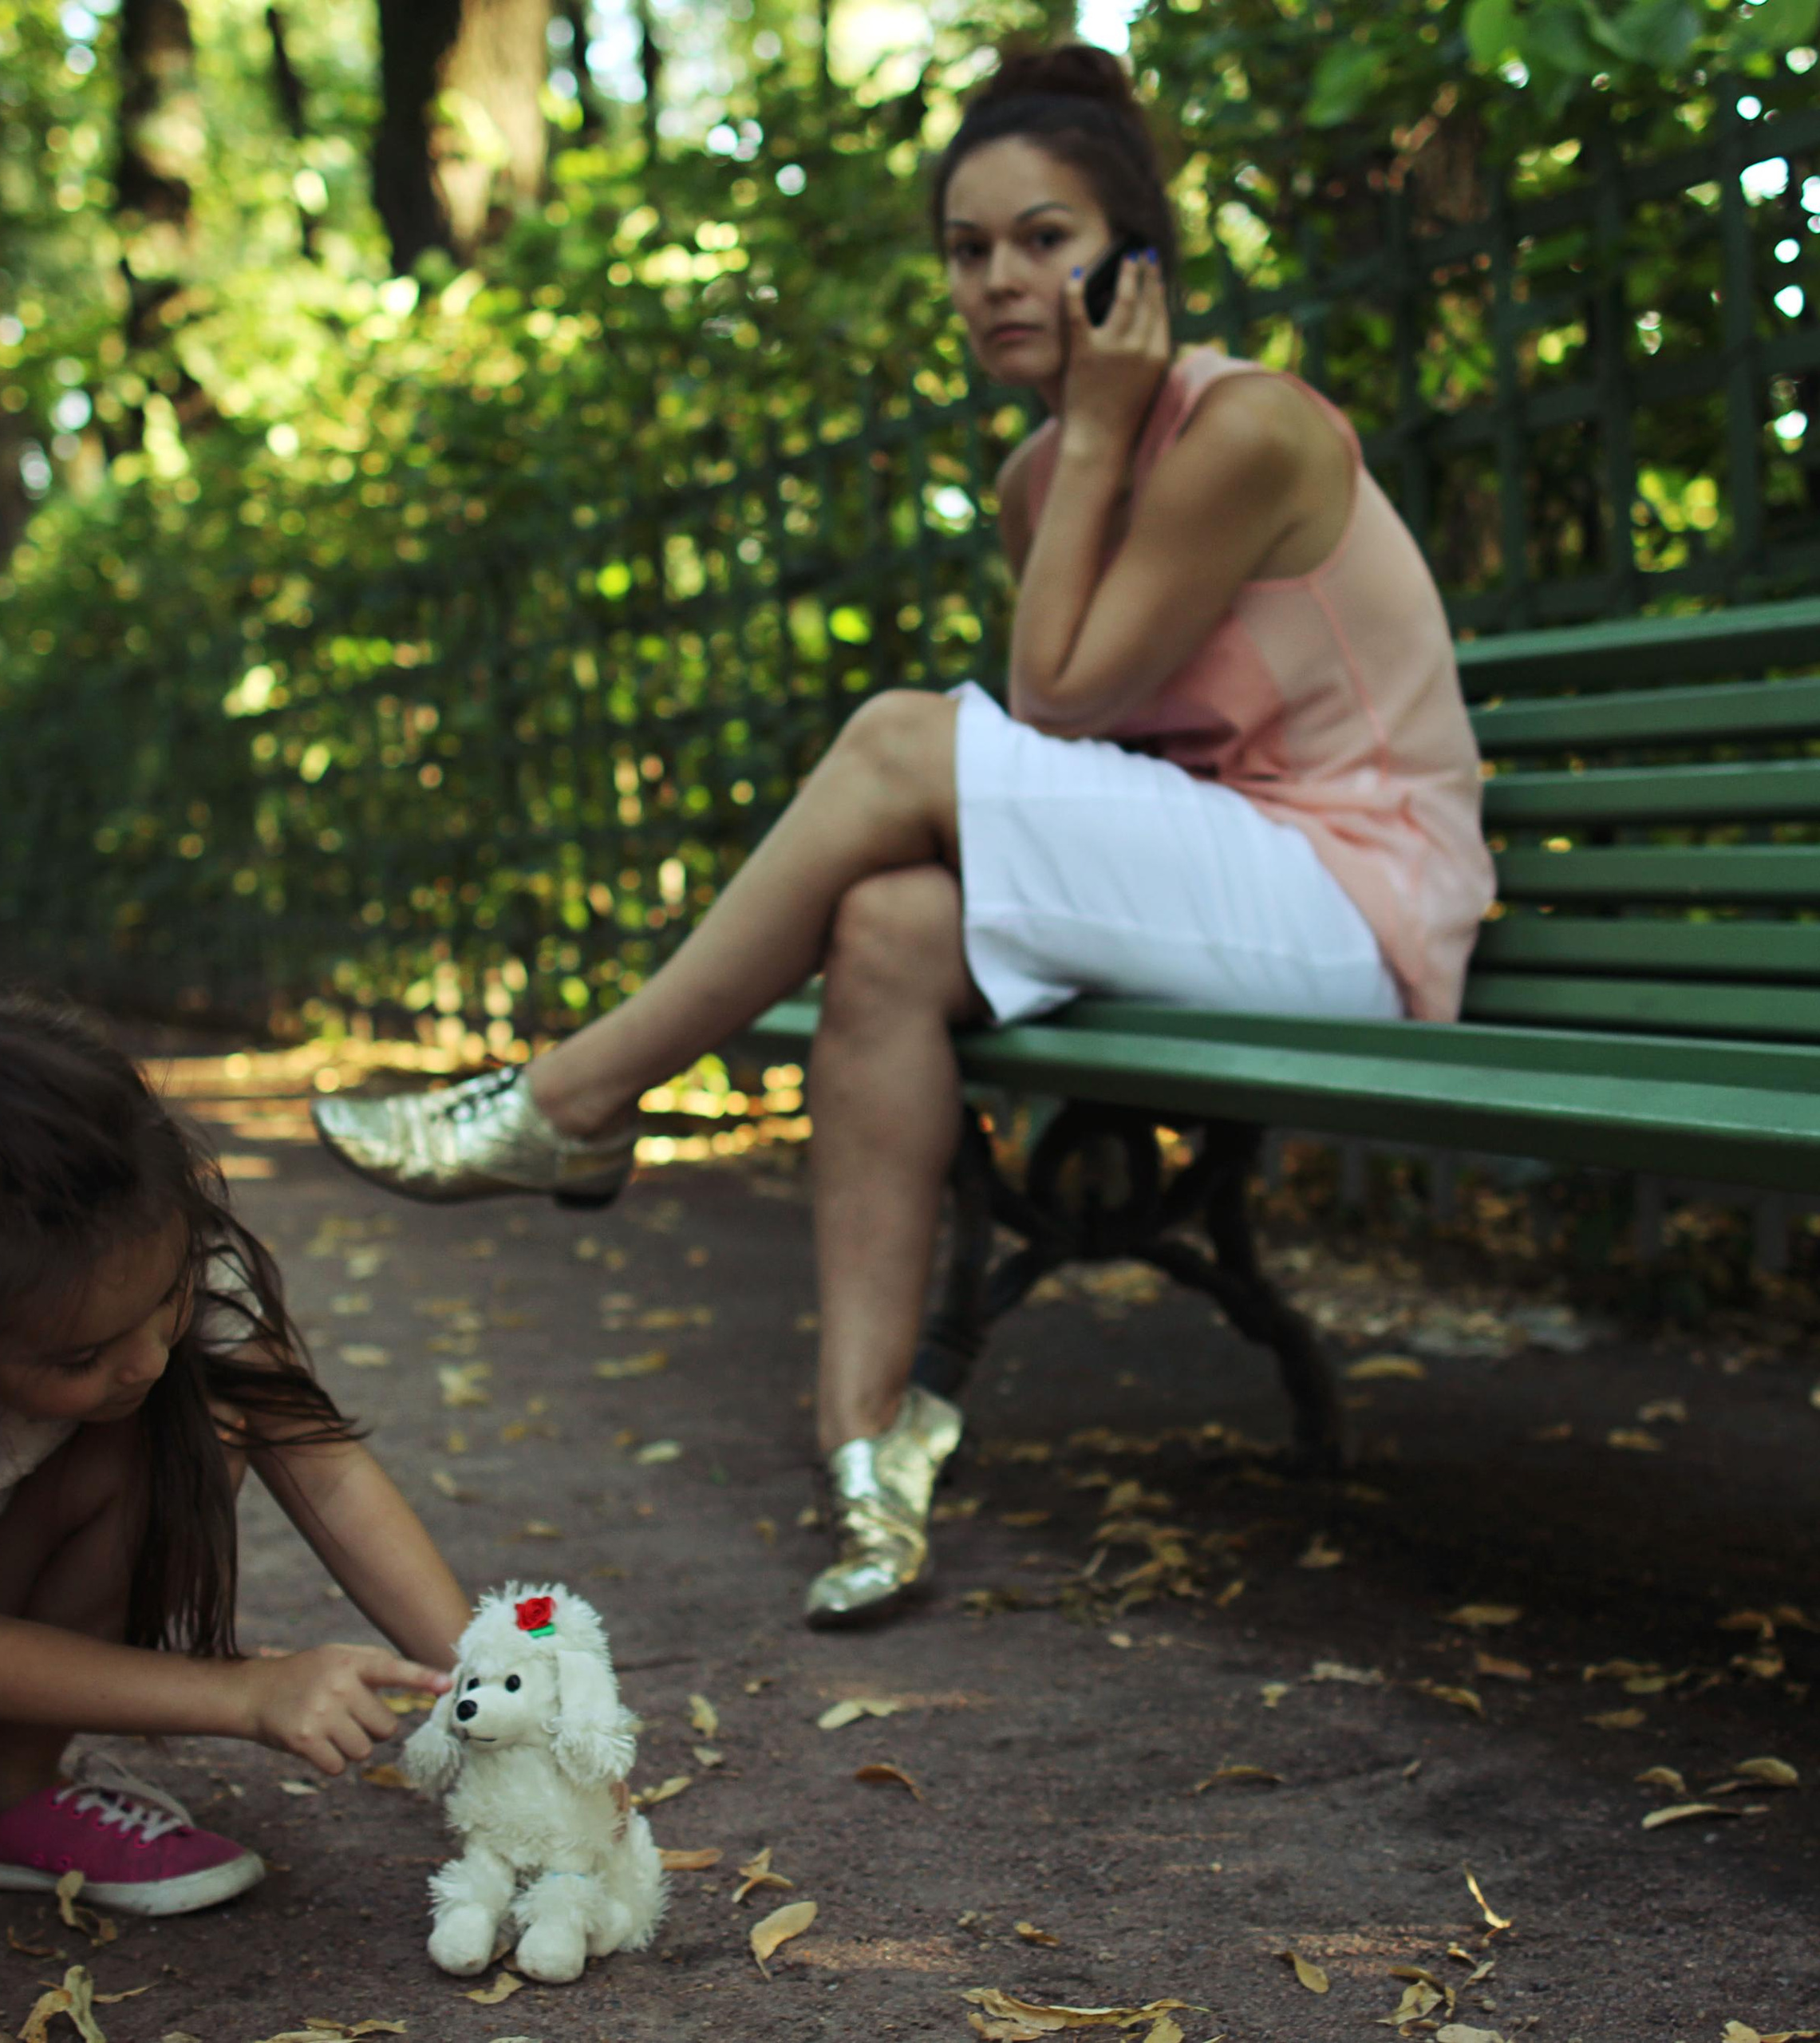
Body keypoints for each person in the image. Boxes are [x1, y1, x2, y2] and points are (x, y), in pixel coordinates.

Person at [311, 45, 1494, 1630]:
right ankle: (865, 1447)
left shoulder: (1244, 432)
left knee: (891, 734)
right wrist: (1074, 452)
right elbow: (1082, 740)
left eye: (1044, 238)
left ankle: (575, 1097)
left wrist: (1094, 436)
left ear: (1135, 263)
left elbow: (1055, 703)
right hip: (1219, 874)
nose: (998, 277)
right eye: (965, 247)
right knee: (879, 926)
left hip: (1353, 904)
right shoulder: (1040, 478)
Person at [0, 1002, 470, 1915]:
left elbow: (325, 1468)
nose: (146, 1359)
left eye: (163, 1299)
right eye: (78, 1357)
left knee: (207, 1420)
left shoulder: (179, 1276)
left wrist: (496, 1689)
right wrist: (250, 1693)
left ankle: (8, 1791)